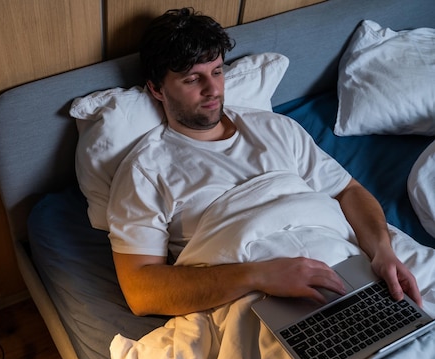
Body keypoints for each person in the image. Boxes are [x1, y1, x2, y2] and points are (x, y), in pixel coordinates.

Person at [106, 8, 422, 317]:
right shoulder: (146, 170)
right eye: (192, 79)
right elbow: (141, 291)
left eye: (217, 71)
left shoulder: (275, 128)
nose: (213, 89)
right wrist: (258, 276)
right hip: (265, 297)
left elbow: (349, 191)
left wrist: (382, 251)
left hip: (353, 262)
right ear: (156, 89)